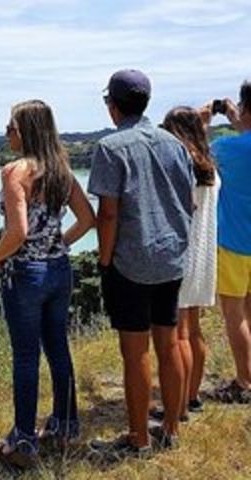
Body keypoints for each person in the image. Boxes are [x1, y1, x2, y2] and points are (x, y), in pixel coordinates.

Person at [87, 69, 195, 457]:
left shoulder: (111, 147)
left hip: (131, 262)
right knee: (168, 344)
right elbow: (188, 202)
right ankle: (171, 429)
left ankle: (138, 438)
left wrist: (104, 260)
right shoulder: (175, 144)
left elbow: (110, 214)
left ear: (112, 105)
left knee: (135, 353)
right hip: (170, 258)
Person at [0, 99, 95, 469]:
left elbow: (17, 232)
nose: (6, 133)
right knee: (58, 349)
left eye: (11, 127)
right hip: (58, 271)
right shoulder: (60, 171)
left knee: (25, 357)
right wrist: (57, 244)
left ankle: (23, 440)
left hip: (25, 274)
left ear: (26, 132)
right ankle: (65, 427)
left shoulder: (15, 172)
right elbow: (87, 219)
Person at [151, 107, 219, 421]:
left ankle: (175, 410)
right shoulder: (209, 169)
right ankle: (191, 397)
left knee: (177, 336)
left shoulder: (182, 164)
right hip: (205, 255)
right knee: (194, 330)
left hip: (182, 253)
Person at [201, 81, 251, 403]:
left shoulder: (227, 148)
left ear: (245, 109)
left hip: (235, 243)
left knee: (235, 315)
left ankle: (245, 382)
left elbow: (196, 153)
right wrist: (240, 119)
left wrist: (204, 122)